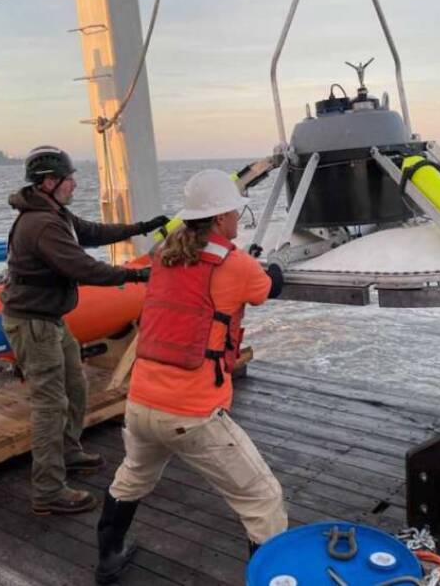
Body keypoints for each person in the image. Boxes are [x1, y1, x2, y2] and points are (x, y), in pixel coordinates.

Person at [94, 169, 286, 585]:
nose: (237, 217)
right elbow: (267, 288)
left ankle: (108, 559)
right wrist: (274, 269)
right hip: (191, 415)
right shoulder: (235, 264)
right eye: (235, 211)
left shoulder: (163, 255)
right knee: (263, 500)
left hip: (141, 403)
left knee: (133, 477)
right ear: (219, 220)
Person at [1, 145, 168, 516]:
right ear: (49, 182)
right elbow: (83, 268)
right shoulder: (42, 223)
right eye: (69, 177)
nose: (74, 182)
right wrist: (136, 275)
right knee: (50, 404)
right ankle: (47, 490)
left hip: (49, 320)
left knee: (75, 385)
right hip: (33, 324)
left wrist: (140, 228)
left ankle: (68, 451)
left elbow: (90, 233)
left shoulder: (52, 212)